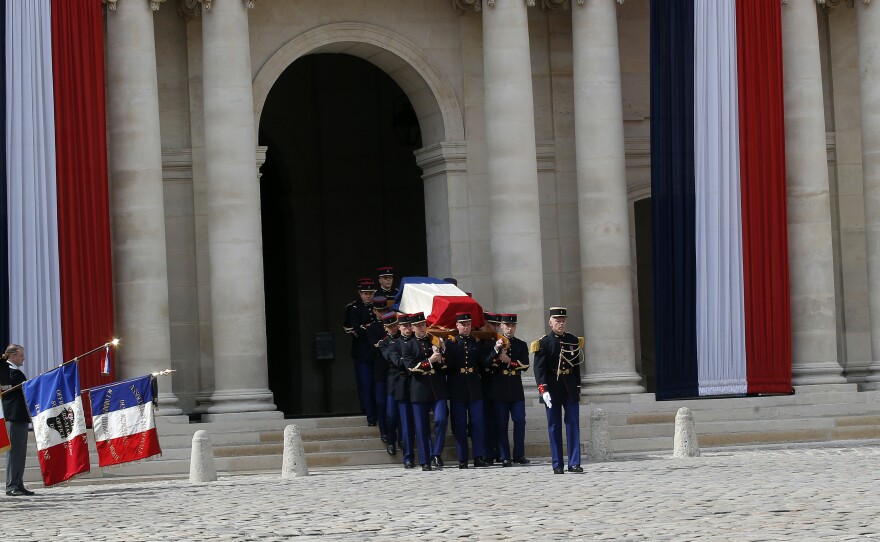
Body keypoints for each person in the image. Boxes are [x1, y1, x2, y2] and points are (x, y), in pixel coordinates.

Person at [532, 307, 583, 474]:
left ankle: (574, 462)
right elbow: (539, 370)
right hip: (552, 388)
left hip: (569, 387)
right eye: (557, 321)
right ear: (550, 322)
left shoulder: (572, 340)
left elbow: (575, 366)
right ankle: (557, 464)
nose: (561, 324)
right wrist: (543, 390)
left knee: (573, 424)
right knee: (554, 426)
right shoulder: (544, 343)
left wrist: (577, 387)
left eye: (563, 321)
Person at [402, 312, 448, 471]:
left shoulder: (433, 341)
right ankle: (425, 460)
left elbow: (444, 366)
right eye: (418, 326)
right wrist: (430, 361)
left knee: (441, 419)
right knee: (421, 428)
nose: (421, 328)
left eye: (423, 325)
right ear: (412, 328)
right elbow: (411, 368)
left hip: (437, 388)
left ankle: (436, 453)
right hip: (419, 390)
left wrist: (442, 351)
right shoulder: (408, 345)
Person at [444, 313, 489, 468]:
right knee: (460, 424)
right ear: (457, 325)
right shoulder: (451, 343)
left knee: (477, 422)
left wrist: (496, 351)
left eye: (468, 324)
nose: (465, 327)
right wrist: (444, 350)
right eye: (462, 324)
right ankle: (462, 458)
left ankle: (478, 456)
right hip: (457, 387)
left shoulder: (476, 343)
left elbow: (483, 363)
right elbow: (448, 365)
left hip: (474, 388)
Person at [487, 314, 530, 467]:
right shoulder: (494, 344)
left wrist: (510, 362)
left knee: (520, 420)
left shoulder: (520, 344)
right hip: (499, 388)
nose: (509, 328)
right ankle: (504, 456)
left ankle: (519, 454)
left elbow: (525, 365)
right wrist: (496, 351)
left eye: (512, 326)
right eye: (507, 326)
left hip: (515, 388)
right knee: (501, 423)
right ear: (502, 326)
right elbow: (487, 364)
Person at [379, 313, 416, 468]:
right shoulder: (386, 343)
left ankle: (403, 441)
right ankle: (391, 439)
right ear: (385, 328)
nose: (393, 328)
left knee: (405, 418)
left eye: (395, 325)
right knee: (391, 414)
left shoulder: (411, 340)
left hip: (409, 380)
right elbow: (393, 360)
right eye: (390, 326)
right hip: (394, 381)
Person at [343, 278, 379, 426]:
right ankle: (370, 416)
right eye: (365, 293)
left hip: (377, 352)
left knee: (378, 384)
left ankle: (377, 413)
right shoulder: (354, 308)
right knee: (366, 384)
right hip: (362, 352)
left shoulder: (379, 306)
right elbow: (354, 329)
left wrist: (366, 328)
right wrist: (369, 328)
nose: (368, 296)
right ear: (360, 293)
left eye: (370, 293)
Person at [1, 344, 34, 496]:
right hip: (13, 417)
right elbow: (6, 389)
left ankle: (18, 483)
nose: (24, 358)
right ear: (13, 356)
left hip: (20, 417)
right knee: (14, 453)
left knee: (20, 453)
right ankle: (11, 486)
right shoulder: (6, 371)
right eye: (21, 355)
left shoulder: (14, 372)